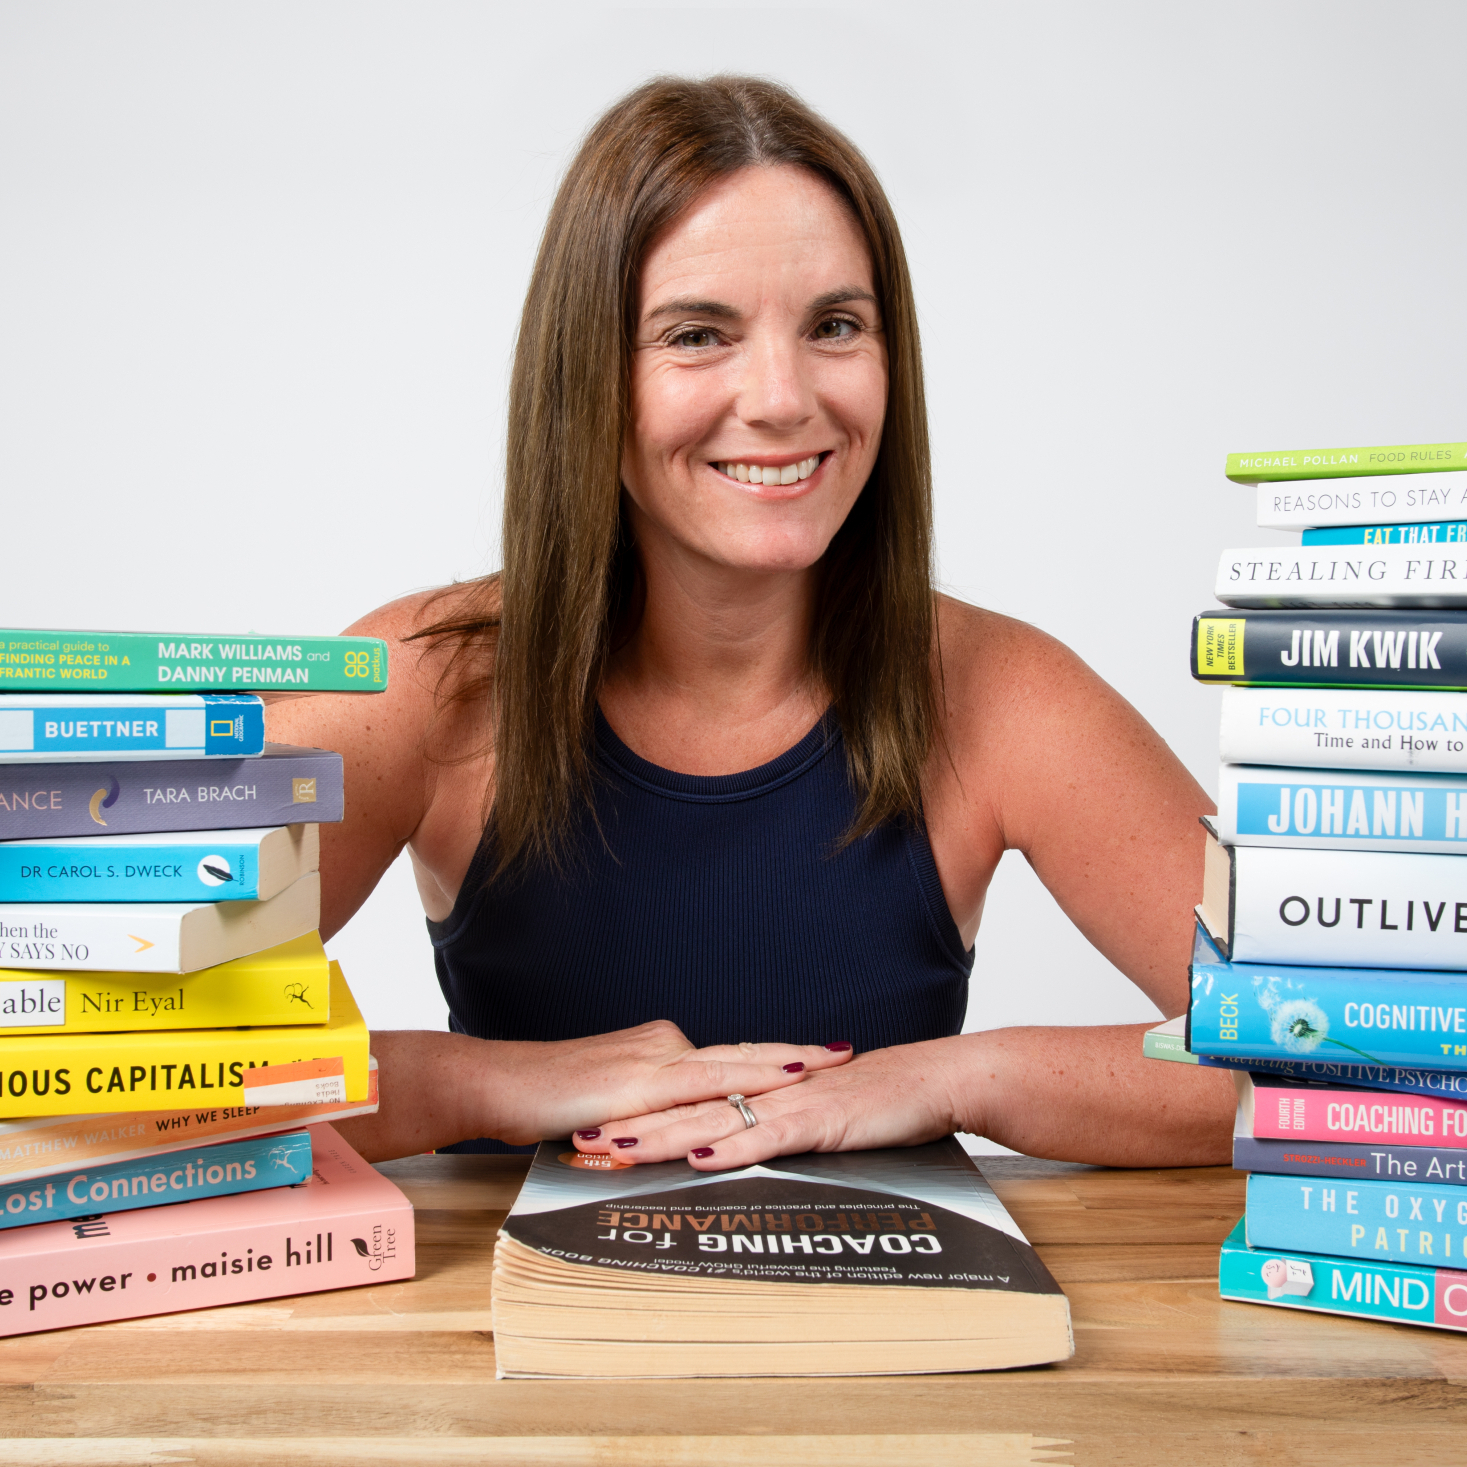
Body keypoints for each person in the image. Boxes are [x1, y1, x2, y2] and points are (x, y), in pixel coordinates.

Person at [269, 75, 1235, 1170]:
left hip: (882, 1334)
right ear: (588, 376)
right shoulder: (423, 681)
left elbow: (1368, 1068)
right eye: (696, 334)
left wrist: (957, 1078)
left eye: (834, 325)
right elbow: (61, 1064)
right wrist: (495, 1078)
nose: (782, 398)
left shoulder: (1005, 692)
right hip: (514, 1334)